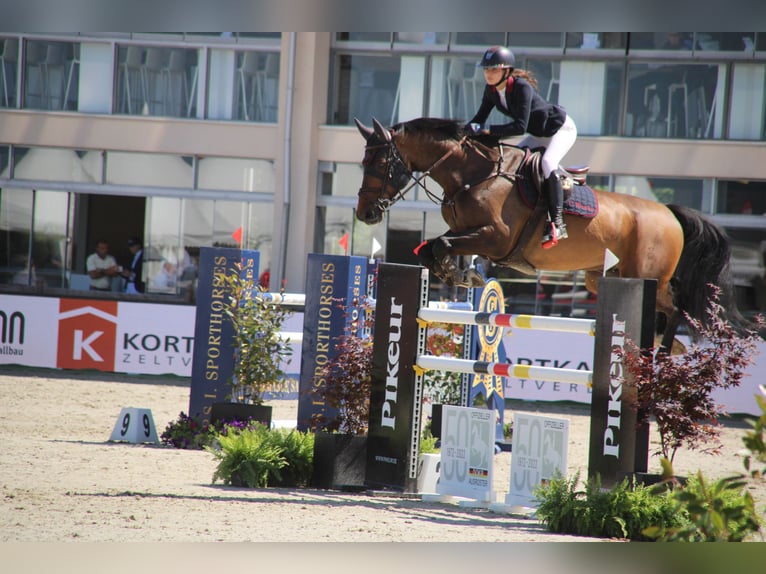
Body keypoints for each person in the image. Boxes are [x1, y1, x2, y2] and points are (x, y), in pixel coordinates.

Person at [465, 46, 577, 249]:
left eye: (493, 70)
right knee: (513, 159)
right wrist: (461, 133)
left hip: (560, 129)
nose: (488, 74)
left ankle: (557, 223)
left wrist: (487, 131)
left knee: (547, 162)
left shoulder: (521, 87)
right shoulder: (491, 91)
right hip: (538, 134)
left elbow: (519, 127)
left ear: (506, 71)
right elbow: (478, 120)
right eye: (486, 70)